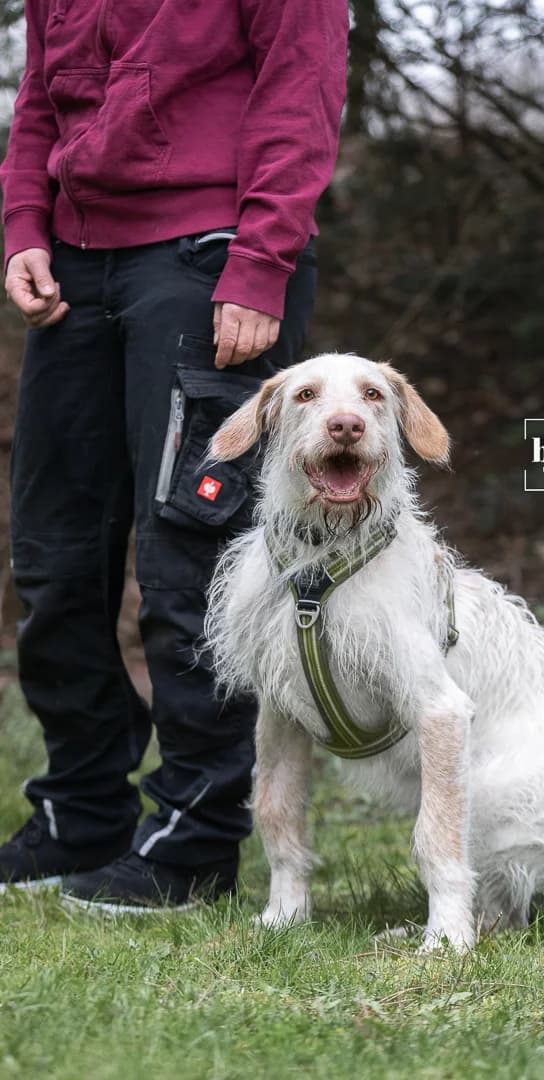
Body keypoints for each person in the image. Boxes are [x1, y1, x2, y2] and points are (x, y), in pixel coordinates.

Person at [0, 0, 348, 912]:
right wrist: (24, 223)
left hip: (209, 254)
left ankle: (194, 839)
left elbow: (300, 88)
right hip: (75, 267)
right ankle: (82, 812)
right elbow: (41, 93)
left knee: (188, 559)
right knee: (52, 559)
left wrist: (263, 256)